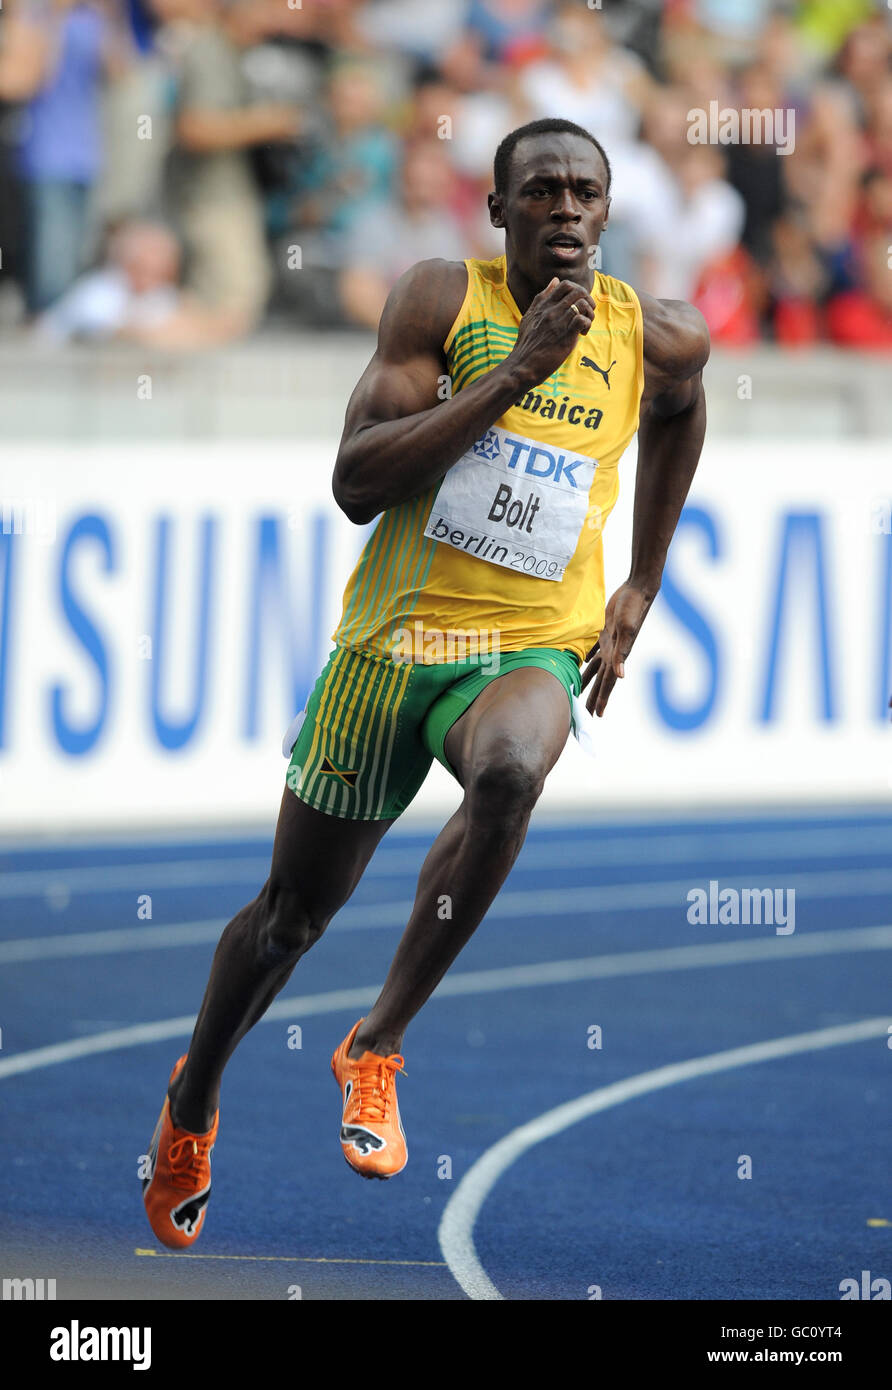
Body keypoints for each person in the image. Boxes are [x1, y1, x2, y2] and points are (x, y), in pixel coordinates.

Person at [142, 116, 710, 1248]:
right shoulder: (438, 302)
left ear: (607, 212)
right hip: (391, 650)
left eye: (584, 192)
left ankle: (379, 1041)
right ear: (496, 213)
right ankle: (194, 1096)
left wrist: (641, 580)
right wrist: (512, 374)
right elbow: (356, 482)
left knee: (510, 772)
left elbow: (682, 412)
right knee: (289, 918)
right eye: (538, 190)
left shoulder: (657, 336)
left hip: (527, 646)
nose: (564, 208)